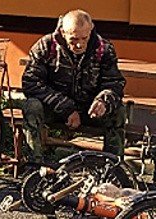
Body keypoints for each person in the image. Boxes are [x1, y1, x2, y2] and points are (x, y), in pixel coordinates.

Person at [21, 9, 128, 164]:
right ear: (63, 32)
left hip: (89, 109)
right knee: (32, 106)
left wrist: (103, 101)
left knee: (118, 111)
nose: (79, 44)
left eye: (84, 38)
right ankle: (34, 164)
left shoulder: (104, 49)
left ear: (91, 30)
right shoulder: (46, 46)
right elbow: (31, 83)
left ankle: (113, 166)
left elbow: (115, 83)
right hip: (55, 108)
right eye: (73, 39)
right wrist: (66, 108)